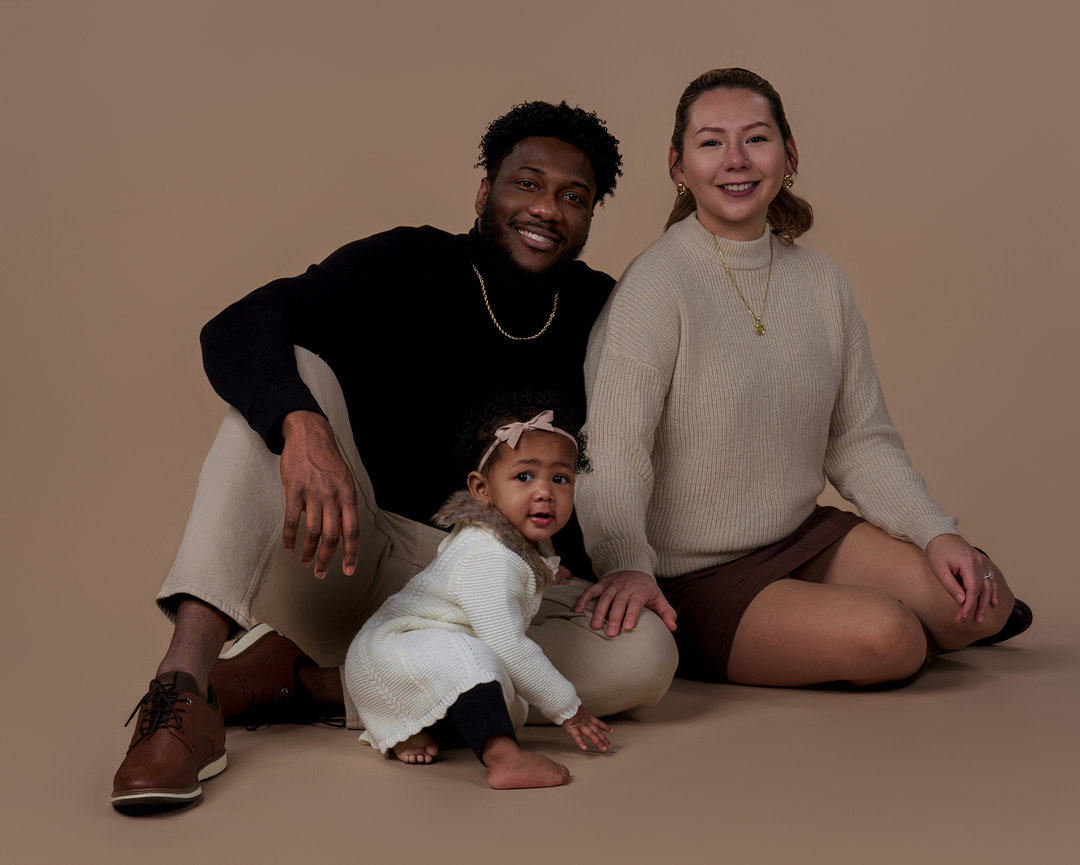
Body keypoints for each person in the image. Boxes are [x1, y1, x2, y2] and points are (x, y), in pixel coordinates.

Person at [111, 101, 678, 812]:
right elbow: (241, 322)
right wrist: (301, 427)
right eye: (525, 184)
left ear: (590, 217)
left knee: (646, 658)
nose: (546, 209)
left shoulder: (602, 309)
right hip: (349, 554)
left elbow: (630, 441)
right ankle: (183, 688)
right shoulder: (404, 262)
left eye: (573, 196)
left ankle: (309, 682)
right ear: (483, 193)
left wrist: (619, 560)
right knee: (289, 379)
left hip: (495, 587)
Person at [574, 68, 1031, 689]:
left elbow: (859, 441)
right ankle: (849, 631)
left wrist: (934, 531)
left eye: (755, 139)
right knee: (888, 638)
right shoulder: (657, 286)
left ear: (789, 155)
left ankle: (853, 622)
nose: (735, 160)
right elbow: (613, 450)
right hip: (692, 574)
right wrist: (627, 563)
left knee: (987, 599)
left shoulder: (821, 282)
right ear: (679, 167)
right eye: (710, 143)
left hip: (800, 535)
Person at [346, 398, 611, 789]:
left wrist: (544, 573)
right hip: (390, 651)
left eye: (560, 479)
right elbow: (507, 641)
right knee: (480, 657)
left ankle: (417, 727)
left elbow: (510, 575)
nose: (544, 493)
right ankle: (503, 758)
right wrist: (567, 708)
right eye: (524, 477)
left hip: (421, 659)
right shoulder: (487, 553)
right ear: (482, 489)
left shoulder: (513, 547)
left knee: (498, 686)